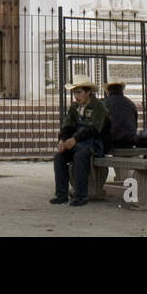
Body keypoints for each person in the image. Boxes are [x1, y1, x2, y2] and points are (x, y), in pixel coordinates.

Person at [51, 78, 109, 207]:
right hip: (76, 143)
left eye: (79, 92)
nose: (76, 96)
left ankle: (81, 195)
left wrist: (75, 139)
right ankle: (61, 195)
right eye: (75, 93)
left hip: (94, 143)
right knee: (59, 157)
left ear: (88, 92)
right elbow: (68, 126)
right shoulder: (74, 107)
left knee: (80, 156)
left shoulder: (99, 107)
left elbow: (94, 128)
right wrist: (62, 140)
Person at [103, 81, 138, 153]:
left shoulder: (104, 103)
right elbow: (135, 123)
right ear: (122, 90)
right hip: (129, 141)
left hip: (111, 142)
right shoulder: (131, 103)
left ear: (108, 91)